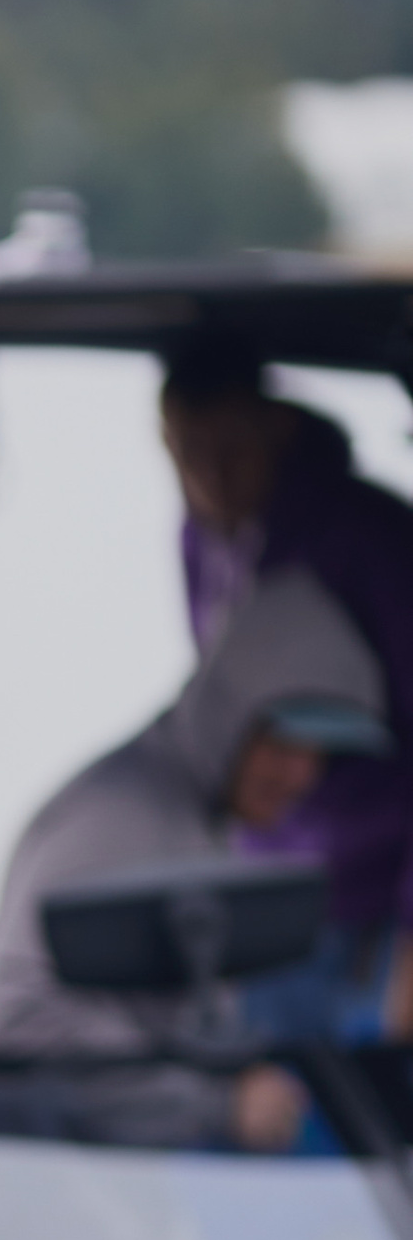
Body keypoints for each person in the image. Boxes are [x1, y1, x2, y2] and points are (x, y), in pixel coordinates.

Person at [0, 570, 390, 1144]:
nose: (303, 775)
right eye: (283, 742)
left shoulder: (193, 813)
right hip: (56, 1192)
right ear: (229, 713)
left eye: (321, 752)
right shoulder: (120, 818)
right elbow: (23, 1026)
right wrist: (213, 1107)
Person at [162, 351, 413, 1039]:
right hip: (264, 896)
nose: (213, 476)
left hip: (378, 903)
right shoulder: (202, 541)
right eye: (191, 455)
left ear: (276, 429)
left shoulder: (373, 541)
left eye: (232, 450)